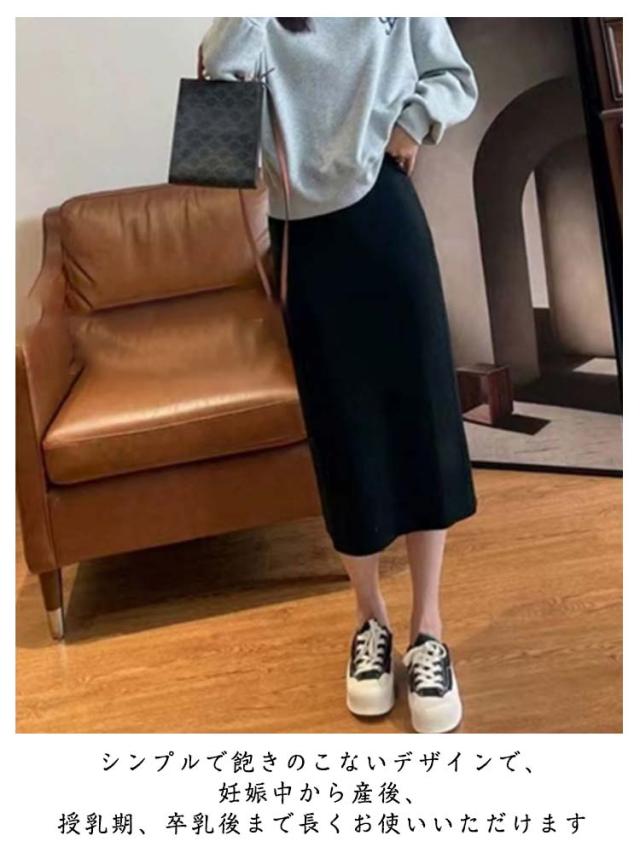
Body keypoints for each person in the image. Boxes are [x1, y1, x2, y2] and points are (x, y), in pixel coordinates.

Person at [200, 17, 479, 733]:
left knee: (421, 418)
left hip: (386, 214)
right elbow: (213, 128)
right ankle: (369, 620)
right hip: (304, 239)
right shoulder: (255, 21)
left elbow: (452, 75)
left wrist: (410, 125)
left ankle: (428, 628)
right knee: (341, 431)